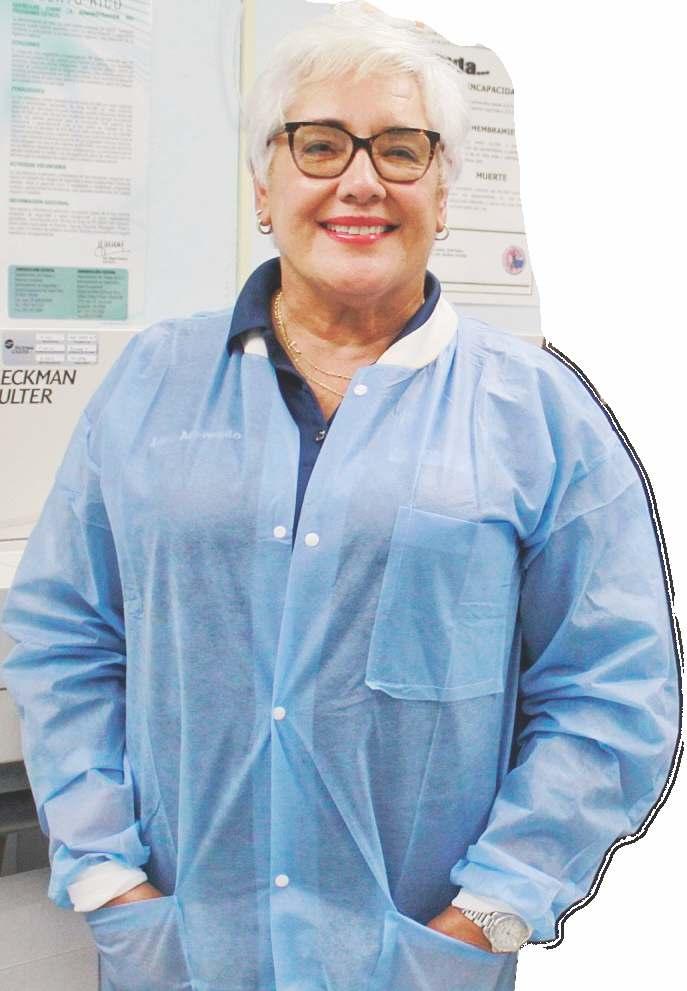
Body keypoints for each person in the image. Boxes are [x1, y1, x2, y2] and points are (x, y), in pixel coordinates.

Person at [0, 5, 680, 991]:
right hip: (183, 958)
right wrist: (106, 875)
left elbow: (612, 690)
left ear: (442, 191)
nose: (360, 181)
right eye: (319, 145)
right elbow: (64, 636)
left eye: (400, 150)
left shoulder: (538, 412)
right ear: (263, 184)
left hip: (413, 962)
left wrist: (491, 910)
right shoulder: (152, 383)